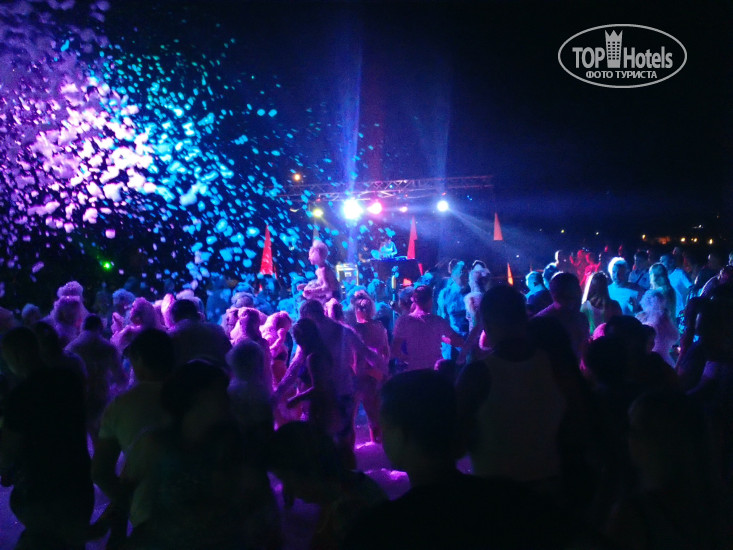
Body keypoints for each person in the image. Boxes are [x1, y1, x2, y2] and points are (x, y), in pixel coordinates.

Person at [344, 370, 572, 549]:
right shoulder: (511, 501)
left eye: (384, 427)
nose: (381, 436)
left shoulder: (381, 530)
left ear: (401, 435)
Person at [119, 360, 279, 550]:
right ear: (197, 397)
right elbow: (123, 492)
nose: (229, 398)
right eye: (221, 392)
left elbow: (261, 502)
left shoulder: (236, 442)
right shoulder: (155, 443)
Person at [456, 285, 567, 490]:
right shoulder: (554, 364)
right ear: (524, 318)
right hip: (551, 489)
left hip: (497, 492)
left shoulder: (478, 375)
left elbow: (455, 442)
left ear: (487, 323)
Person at [0, 327, 93, 550]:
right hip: (79, 482)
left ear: (16, 356)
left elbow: (6, 453)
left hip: (42, 494)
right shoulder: (69, 381)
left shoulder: (20, 397)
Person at [92, 328, 175, 537]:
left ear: (138, 359)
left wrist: (124, 501)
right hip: (198, 509)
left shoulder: (121, 405)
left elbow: (100, 472)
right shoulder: (194, 395)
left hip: (146, 512)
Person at [268, 421, 386, 550]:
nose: (287, 489)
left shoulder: (347, 511)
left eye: (286, 479)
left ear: (308, 469)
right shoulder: (349, 486)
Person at [66, 314, 127, 440]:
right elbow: (120, 378)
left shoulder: (72, 348)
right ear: (100, 327)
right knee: (100, 437)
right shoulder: (107, 348)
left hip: (77, 398)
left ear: (83, 327)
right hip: (101, 396)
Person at [391, 285, 464, 372]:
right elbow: (458, 341)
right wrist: (440, 338)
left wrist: (408, 359)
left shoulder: (403, 321)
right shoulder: (437, 321)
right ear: (430, 300)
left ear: (414, 300)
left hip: (415, 370)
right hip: (434, 370)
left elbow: (395, 349)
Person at [351, 290, 390, 442]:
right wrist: (383, 368)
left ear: (358, 310)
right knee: (378, 410)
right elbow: (386, 351)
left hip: (362, 372)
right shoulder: (379, 326)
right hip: (378, 371)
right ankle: (380, 443)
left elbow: (353, 354)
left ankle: (374, 442)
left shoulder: (357, 329)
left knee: (365, 412)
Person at [536, 272, 590, 358]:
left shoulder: (581, 318)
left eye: (578, 293)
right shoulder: (541, 323)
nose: (577, 302)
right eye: (571, 298)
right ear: (556, 297)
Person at [660, 253, 691, 320]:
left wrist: (687, 306)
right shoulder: (662, 277)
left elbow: (690, 288)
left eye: (663, 261)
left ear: (671, 262)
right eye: (660, 261)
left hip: (680, 313)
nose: (660, 264)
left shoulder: (680, 273)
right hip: (667, 314)